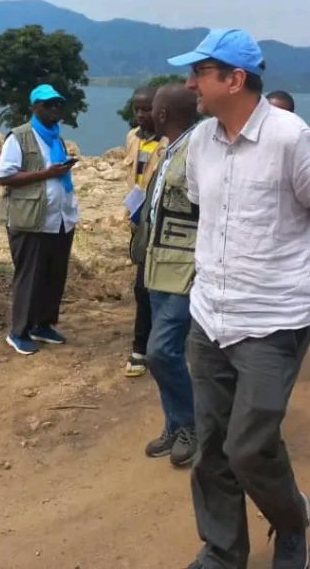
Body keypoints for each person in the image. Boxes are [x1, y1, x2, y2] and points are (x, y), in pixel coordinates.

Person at [168, 28, 310, 569]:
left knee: (249, 446)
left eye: (200, 73)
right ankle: (224, 550)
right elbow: (213, 217)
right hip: (209, 317)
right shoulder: (202, 141)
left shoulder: (290, 138)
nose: (190, 84)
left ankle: (292, 521)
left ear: (235, 79)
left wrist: (303, 276)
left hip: (273, 322)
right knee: (211, 447)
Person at [130, 84, 200, 467]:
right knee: (163, 352)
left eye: (150, 110)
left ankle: (191, 424)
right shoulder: (170, 148)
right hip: (159, 265)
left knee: (162, 351)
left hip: (184, 268)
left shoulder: (196, 152)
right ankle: (175, 424)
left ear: (161, 115)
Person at [0, 84, 78, 356]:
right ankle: (18, 331)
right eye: (47, 104)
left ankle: (42, 324)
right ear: (35, 107)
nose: (54, 109)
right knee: (29, 276)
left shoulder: (56, 138)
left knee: (53, 276)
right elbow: (4, 176)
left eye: (57, 104)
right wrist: (46, 173)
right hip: (30, 219)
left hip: (60, 219)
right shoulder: (19, 138)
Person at [123, 85, 166, 377]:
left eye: (146, 108)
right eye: (137, 108)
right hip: (139, 221)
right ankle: (144, 345)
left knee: (153, 286)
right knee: (142, 285)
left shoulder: (172, 142)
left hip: (163, 222)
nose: (140, 114)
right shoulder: (132, 139)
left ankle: (149, 346)